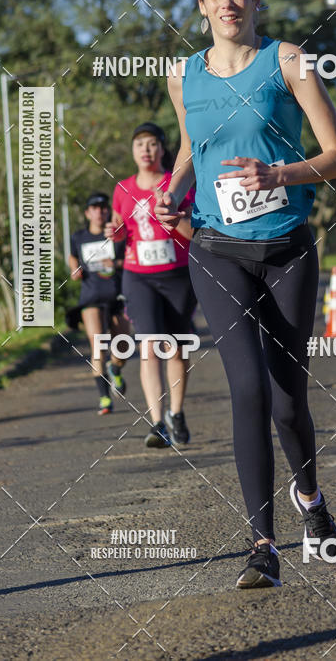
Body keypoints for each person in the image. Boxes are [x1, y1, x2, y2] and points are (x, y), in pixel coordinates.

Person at [155, 0, 336, 589]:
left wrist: (280, 174)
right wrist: (173, 186)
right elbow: (190, 147)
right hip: (216, 249)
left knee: (290, 401)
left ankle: (311, 499)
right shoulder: (184, 76)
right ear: (202, 5)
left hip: (286, 249)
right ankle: (262, 545)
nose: (227, 3)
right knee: (248, 390)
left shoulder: (288, 62)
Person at [105, 122, 197, 449]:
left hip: (177, 273)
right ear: (132, 152)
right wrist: (114, 235)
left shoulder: (179, 182)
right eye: (139, 144)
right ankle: (156, 422)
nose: (145, 150)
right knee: (149, 344)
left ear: (161, 148)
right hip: (138, 275)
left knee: (176, 347)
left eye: (151, 143)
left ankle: (176, 412)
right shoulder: (122, 188)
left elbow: (193, 232)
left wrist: (174, 215)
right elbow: (120, 233)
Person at [68, 192, 129, 416]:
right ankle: (104, 397)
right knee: (98, 345)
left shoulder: (117, 235)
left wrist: (115, 262)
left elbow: (130, 258)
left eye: (104, 207)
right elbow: (72, 257)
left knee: (122, 345)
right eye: (94, 208)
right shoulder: (79, 237)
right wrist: (74, 269)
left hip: (117, 296)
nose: (100, 211)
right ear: (87, 213)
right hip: (91, 298)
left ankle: (116, 369)